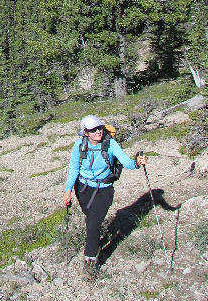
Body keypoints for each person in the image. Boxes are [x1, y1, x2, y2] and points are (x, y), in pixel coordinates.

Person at [62, 114, 147, 278]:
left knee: (93, 224)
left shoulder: (110, 144)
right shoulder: (79, 145)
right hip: (83, 188)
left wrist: (137, 162)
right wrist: (68, 190)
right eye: (93, 129)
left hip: (104, 189)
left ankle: (90, 262)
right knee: (90, 220)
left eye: (100, 128)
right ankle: (94, 242)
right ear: (86, 132)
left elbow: (126, 162)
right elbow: (74, 169)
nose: (98, 131)